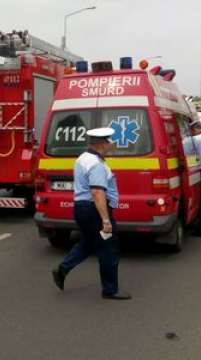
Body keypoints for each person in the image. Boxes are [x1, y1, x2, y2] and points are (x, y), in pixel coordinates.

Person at [51, 127, 130, 300]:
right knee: (109, 248)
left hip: (81, 208)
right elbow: (97, 192)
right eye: (109, 141)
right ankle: (110, 290)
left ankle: (63, 269)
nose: (111, 144)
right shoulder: (96, 164)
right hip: (95, 209)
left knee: (87, 243)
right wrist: (106, 221)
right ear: (102, 145)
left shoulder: (83, 158)